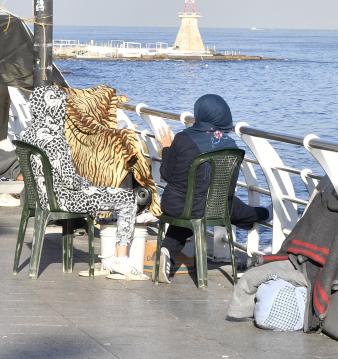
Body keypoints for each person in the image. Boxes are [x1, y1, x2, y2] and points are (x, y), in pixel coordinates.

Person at [20, 86, 140, 278]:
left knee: (104, 194)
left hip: (38, 199)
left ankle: (110, 258)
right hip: (62, 199)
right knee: (127, 199)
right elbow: (70, 180)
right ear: (56, 108)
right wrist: (90, 185)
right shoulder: (56, 139)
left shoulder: (27, 135)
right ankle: (120, 258)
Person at [153, 94, 271, 283]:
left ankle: (167, 250)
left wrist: (167, 147)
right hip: (215, 208)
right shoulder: (231, 145)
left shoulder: (182, 139)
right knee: (232, 209)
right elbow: (228, 191)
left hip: (175, 206)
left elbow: (166, 174)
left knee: (191, 211)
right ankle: (263, 214)